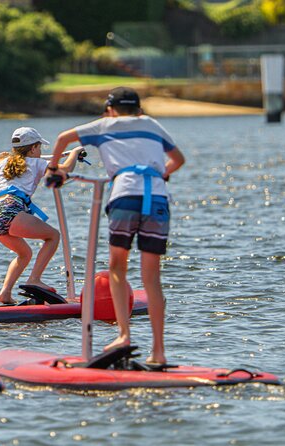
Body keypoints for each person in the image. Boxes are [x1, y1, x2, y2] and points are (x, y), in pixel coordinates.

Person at [46, 87, 185, 365]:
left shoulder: (104, 125)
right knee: (152, 278)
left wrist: (54, 170)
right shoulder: (151, 124)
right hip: (157, 197)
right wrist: (163, 174)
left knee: (118, 268)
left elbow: (63, 138)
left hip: (125, 195)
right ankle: (158, 352)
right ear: (139, 110)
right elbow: (178, 159)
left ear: (110, 109)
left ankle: (124, 335)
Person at [0, 127, 82, 304]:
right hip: (11, 209)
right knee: (53, 236)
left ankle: (5, 293)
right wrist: (75, 152)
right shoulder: (37, 163)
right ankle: (34, 279)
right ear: (33, 149)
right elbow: (65, 169)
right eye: (39, 147)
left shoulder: (5, 163)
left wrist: (0, 160)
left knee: (25, 254)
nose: (40, 151)